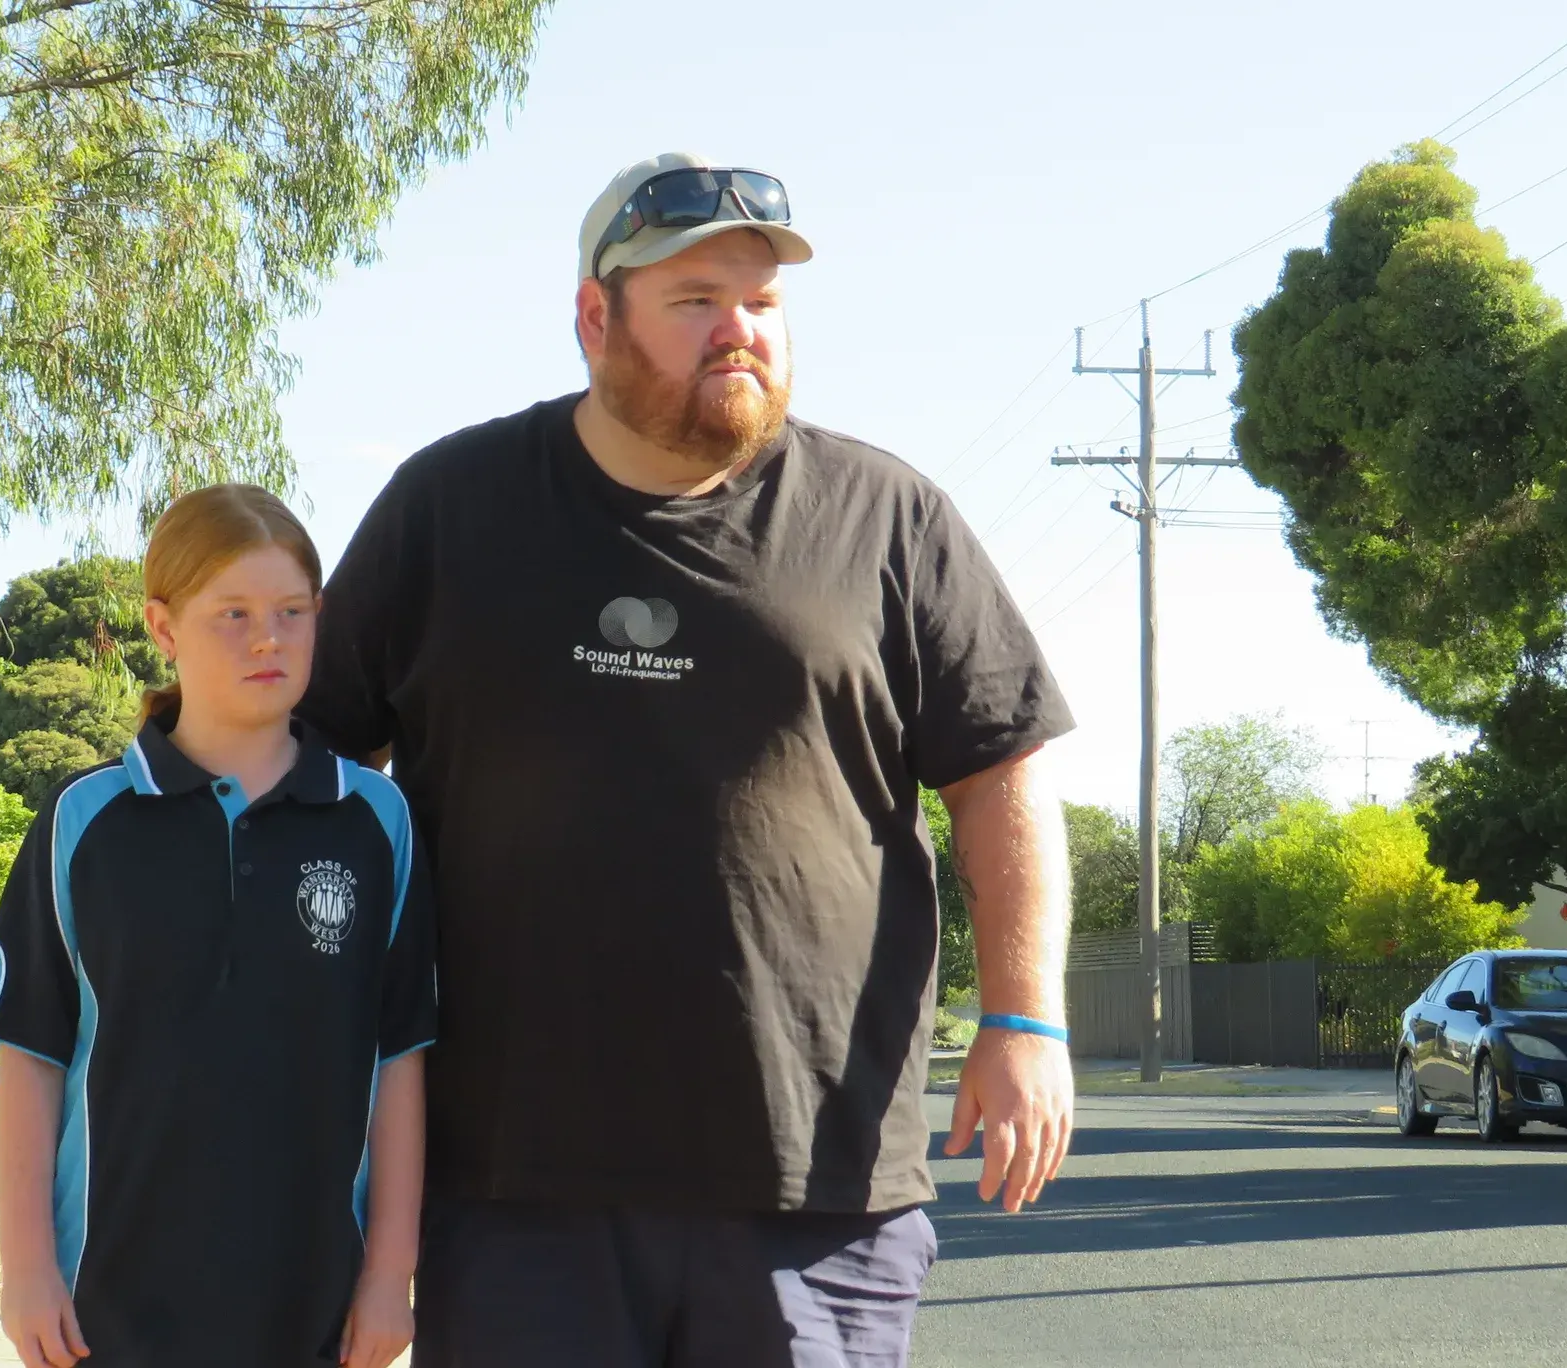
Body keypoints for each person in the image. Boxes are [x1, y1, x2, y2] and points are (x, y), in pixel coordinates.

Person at [302, 153, 1077, 1367]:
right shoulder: (450, 508)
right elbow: (309, 777)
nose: (739, 331)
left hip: (812, 1188)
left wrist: (1026, 1018)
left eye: (762, 304)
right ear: (592, 316)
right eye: (696, 301)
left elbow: (1001, 774)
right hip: (512, 1190)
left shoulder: (884, 515)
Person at [0, 484, 436, 1368]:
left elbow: (399, 1060)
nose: (268, 637)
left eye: (293, 611)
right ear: (163, 626)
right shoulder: (84, 820)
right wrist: (26, 1268)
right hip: (108, 1301)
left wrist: (388, 1278)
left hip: (316, 1307)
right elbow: (32, 1057)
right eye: (233, 614)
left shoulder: (376, 822)